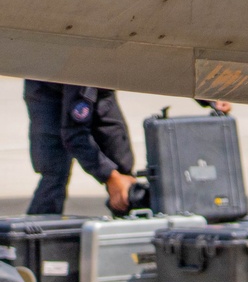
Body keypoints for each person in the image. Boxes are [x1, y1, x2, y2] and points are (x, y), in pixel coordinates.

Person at [24, 80, 231, 216]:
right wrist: (109, 176)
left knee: (122, 165)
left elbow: (164, 55)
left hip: (97, 80)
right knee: (54, 173)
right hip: (48, 86)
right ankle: (32, 247)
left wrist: (208, 95)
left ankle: (129, 230)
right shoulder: (82, 70)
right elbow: (74, 134)